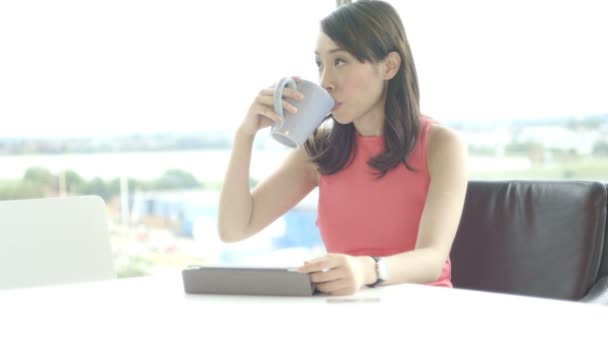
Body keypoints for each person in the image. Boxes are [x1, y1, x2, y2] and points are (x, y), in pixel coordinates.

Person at [218, 0, 468, 296]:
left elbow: (432, 259)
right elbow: (235, 228)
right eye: (320, 64)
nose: (325, 82)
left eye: (340, 62)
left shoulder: (440, 145)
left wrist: (367, 270)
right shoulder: (320, 151)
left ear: (389, 66)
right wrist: (245, 135)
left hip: (425, 308)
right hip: (348, 313)